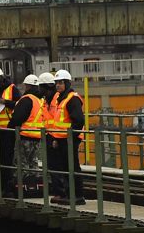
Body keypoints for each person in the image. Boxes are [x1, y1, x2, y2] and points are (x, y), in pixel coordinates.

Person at [47, 69, 86, 203]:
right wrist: (56, 138)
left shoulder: (72, 99)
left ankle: (77, 196)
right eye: (56, 83)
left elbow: (79, 120)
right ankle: (69, 195)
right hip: (62, 139)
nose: (58, 85)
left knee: (72, 167)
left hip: (70, 139)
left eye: (61, 83)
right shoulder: (61, 98)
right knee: (65, 167)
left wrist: (71, 136)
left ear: (67, 83)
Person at [7, 74, 45, 196]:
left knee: (21, 164)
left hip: (25, 136)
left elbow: (18, 117)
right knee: (34, 164)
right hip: (37, 137)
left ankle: (22, 190)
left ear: (27, 86)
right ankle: (36, 189)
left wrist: (10, 127)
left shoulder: (27, 99)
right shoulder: (41, 100)